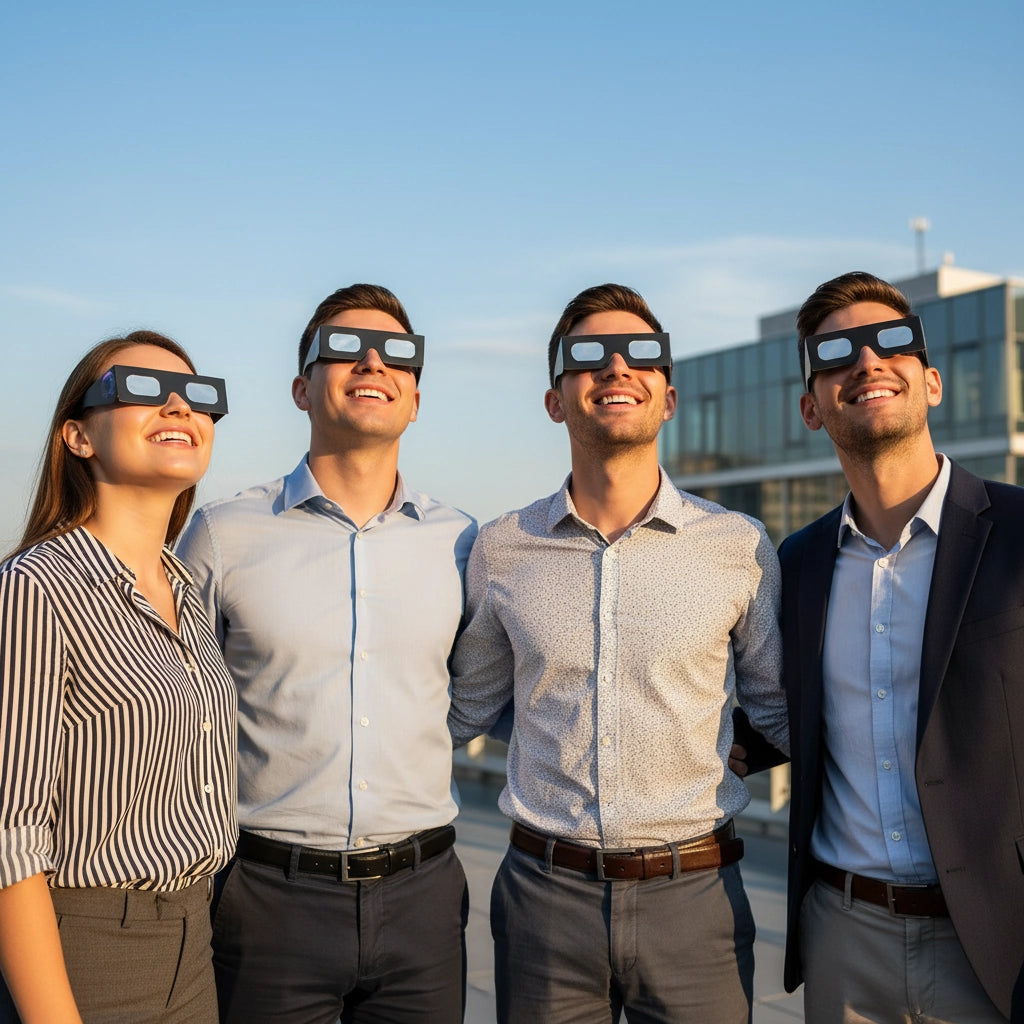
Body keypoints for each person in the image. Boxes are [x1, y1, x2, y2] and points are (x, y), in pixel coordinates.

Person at [447, 283, 790, 1024]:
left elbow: (779, 709)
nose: (616, 368)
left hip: (697, 898)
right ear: (554, 400)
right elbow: (467, 706)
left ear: (668, 398)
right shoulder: (503, 548)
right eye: (587, 357)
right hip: (543, 900)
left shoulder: (738, 546)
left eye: (641, 355)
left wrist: (729, 750)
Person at [176, 284, 477, 1024]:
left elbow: (474, 692)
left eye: (398, 353)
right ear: (301, 388)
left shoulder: (466, 542)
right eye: (342, 347)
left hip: (424, 896)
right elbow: (178, 707)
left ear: (414, 397)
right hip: (268, 896)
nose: (372, 361)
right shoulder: (223, 533)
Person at [780, 270, 1024, 1021]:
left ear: (934, 382)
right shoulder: (793, 565)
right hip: (843, 941)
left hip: (999, 945)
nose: (866, 363)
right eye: (837, 353)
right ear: (811, 409)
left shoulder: (1020, 533)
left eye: (891, 342)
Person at [0, 332, 237, 1023]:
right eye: (138, 388)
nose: (176, 406)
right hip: (85, 950)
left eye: (198, 397)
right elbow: (8, 837)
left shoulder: (186, 588)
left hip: (194, 946)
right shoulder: (34, 590)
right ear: (77, 436)